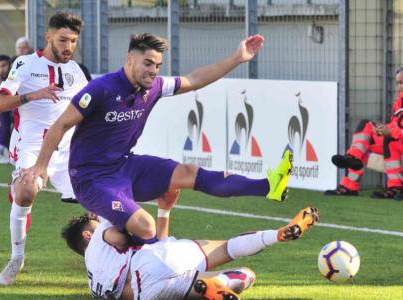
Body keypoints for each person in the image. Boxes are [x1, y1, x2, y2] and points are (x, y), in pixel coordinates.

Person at [21, 33, 292, 247]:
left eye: (157, 65)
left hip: (126, 167)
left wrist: (237, 58)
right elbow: (60, 125)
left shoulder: (155, 88)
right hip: (92, 179)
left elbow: (194, 79)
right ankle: (149, 269)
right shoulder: (101, 89)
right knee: (145, 226)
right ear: (130, 59)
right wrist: (41, 166)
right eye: (148, 63)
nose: (153, 70)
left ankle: (270, 186)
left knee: (187, 172)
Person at [62, 190, 319, 300]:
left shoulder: (93, 279)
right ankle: (278, 235)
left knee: (245, 274)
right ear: (88, 233)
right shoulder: (99, 236)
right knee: (227, 248)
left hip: (147, 294)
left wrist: (163, 213)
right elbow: (120, 238)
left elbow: (151, 251)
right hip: (152, 261)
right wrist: (118, 215)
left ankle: (214, 284)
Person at [0, 12, 90, 286]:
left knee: (97, 201)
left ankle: (103, 260)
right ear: (48, 37)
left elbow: (89, 108)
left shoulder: (76, 71)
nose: (68, 46)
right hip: (32, 145)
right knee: (25, 192)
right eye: (62, 40)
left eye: (73, 41)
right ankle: (16, 257)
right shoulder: (24, 64)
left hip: (68, 149)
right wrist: (31, 95)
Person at [325, 68, 403, 199]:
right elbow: (395, 126)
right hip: (397, 142)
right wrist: (382, 129)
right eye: (398, 83)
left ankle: (396, 187)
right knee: (366, 126)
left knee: (390, 139)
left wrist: (391, 132)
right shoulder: (399, 102)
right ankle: (350, 175)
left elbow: (395, 131)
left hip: (397, 143)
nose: (400, 86)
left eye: (402, 82)